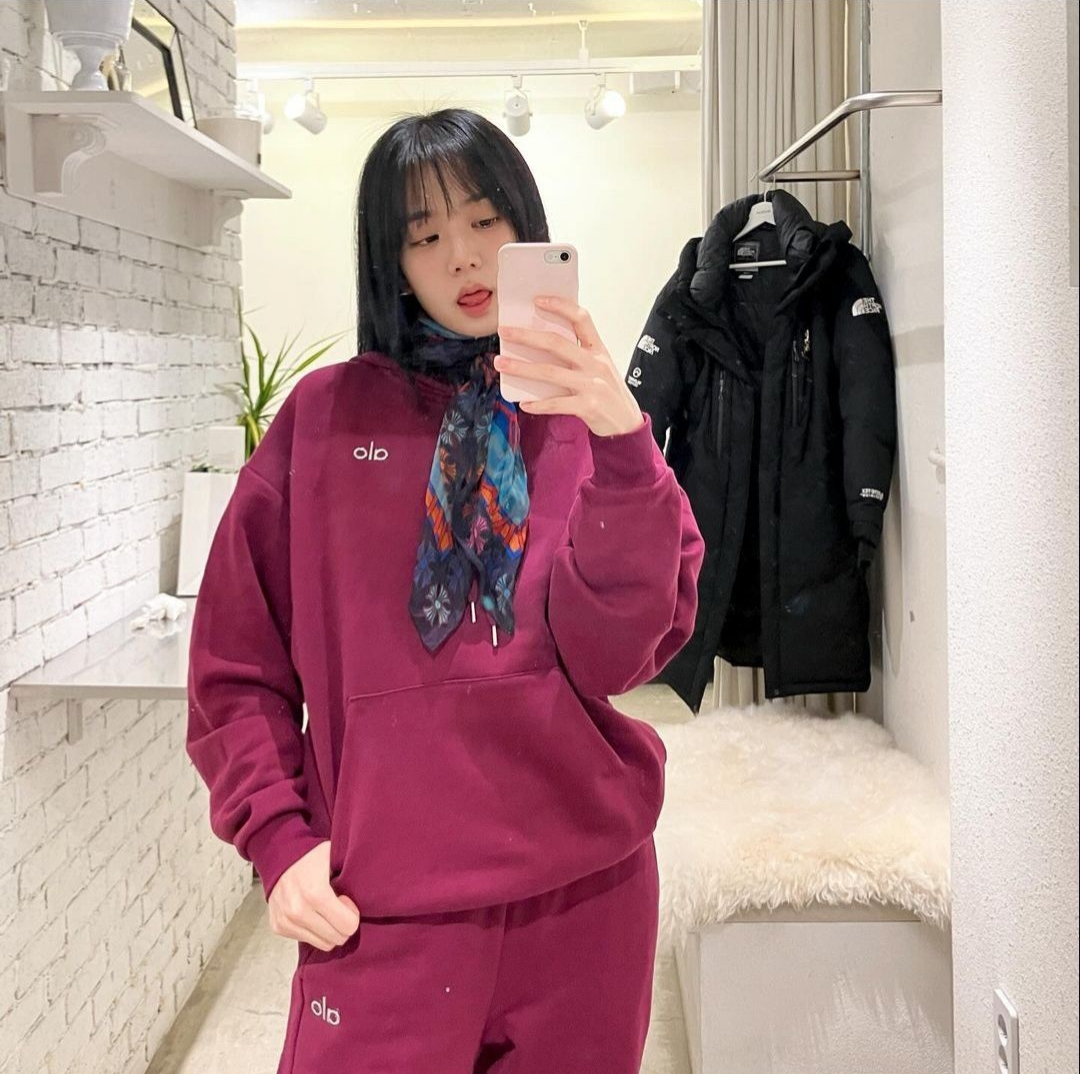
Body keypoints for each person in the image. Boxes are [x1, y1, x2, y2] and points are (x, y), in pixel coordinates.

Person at [185, 108, 705, 1074]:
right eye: (423, 236)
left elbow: (617, 655)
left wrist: (624, 444)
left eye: (483, 221)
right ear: (391, 262)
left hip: (584, 899)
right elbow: (234, 664)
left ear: (526, 227)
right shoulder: (323, 422)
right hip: (381, 908)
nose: (462, 256)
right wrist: (279, 836)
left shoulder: (581, 420)